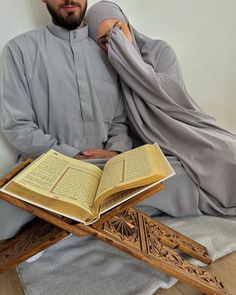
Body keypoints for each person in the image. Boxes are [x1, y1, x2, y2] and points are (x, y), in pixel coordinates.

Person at [85, 1, 236, 217]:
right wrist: (117, 150)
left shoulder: (160, 51)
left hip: (189, 131)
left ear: (128, 24)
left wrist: (128, 61)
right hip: (149, 147)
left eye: (119, 30)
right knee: (170, 180)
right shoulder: (104, 73)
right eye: (105, 41)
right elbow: (118, 122)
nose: (116, 43)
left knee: (228, 155)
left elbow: (168, 97)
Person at [0, 0, 132, 240]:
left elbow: (119, 122)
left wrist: (115, 152)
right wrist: (73, 156)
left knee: (176, 180)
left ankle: (63, 226)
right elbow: (17, 125)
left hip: (105, 170)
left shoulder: (106, 49)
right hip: (48, 168)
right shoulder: (18, 50)